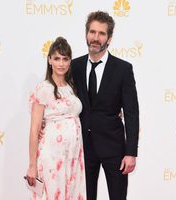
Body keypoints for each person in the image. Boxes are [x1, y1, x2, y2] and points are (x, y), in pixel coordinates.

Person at [71, 11, 139, 200]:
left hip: (114, 149)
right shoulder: (74, 67)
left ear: (109, 38)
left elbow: (132, 112)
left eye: (101, 33)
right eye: (92, 32)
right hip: (82, 149)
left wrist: (131, 152)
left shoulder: (123, 69)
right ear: (86, 34)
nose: (96, 37)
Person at [26, 37, 86, 200]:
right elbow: (34, 129)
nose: (61, 64)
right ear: (49, 60)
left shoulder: (71, 87)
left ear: (70, 61)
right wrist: (32, 166)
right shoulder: (43, 88)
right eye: (57, 58)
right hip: (52, 156)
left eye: (65, 59)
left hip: (73, 155)